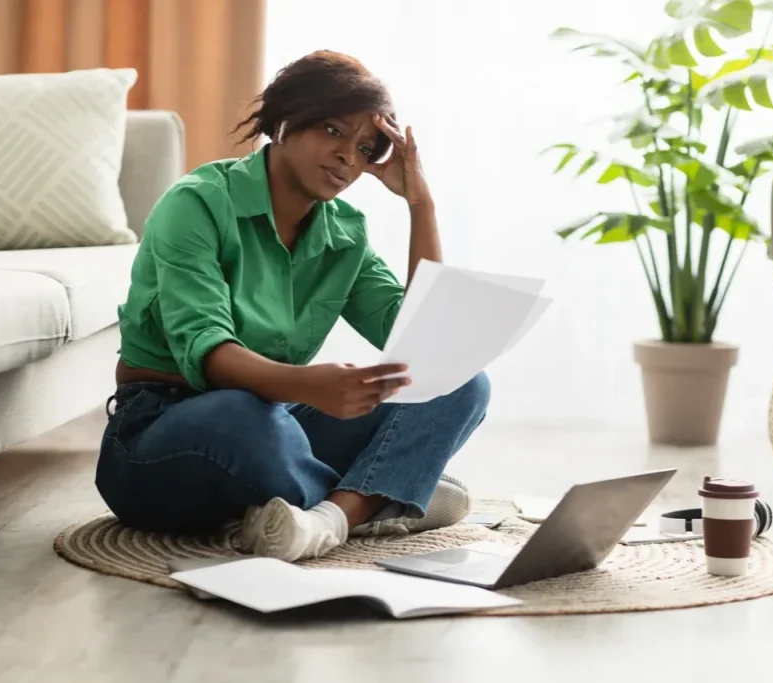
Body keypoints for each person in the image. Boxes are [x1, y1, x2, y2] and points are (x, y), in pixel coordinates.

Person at [95, 50, 490, 563]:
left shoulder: (344, 235)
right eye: (332, 130)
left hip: (276, 428)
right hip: (160, 434)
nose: (349, 157)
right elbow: (210, 352)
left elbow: (424, 343)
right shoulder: (195, 204)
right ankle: (378, 500)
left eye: (366, 147)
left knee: (461, 379)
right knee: (243, 413)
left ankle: (325, 520)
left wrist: (421, 203)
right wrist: (313, 385)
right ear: (283, 122)